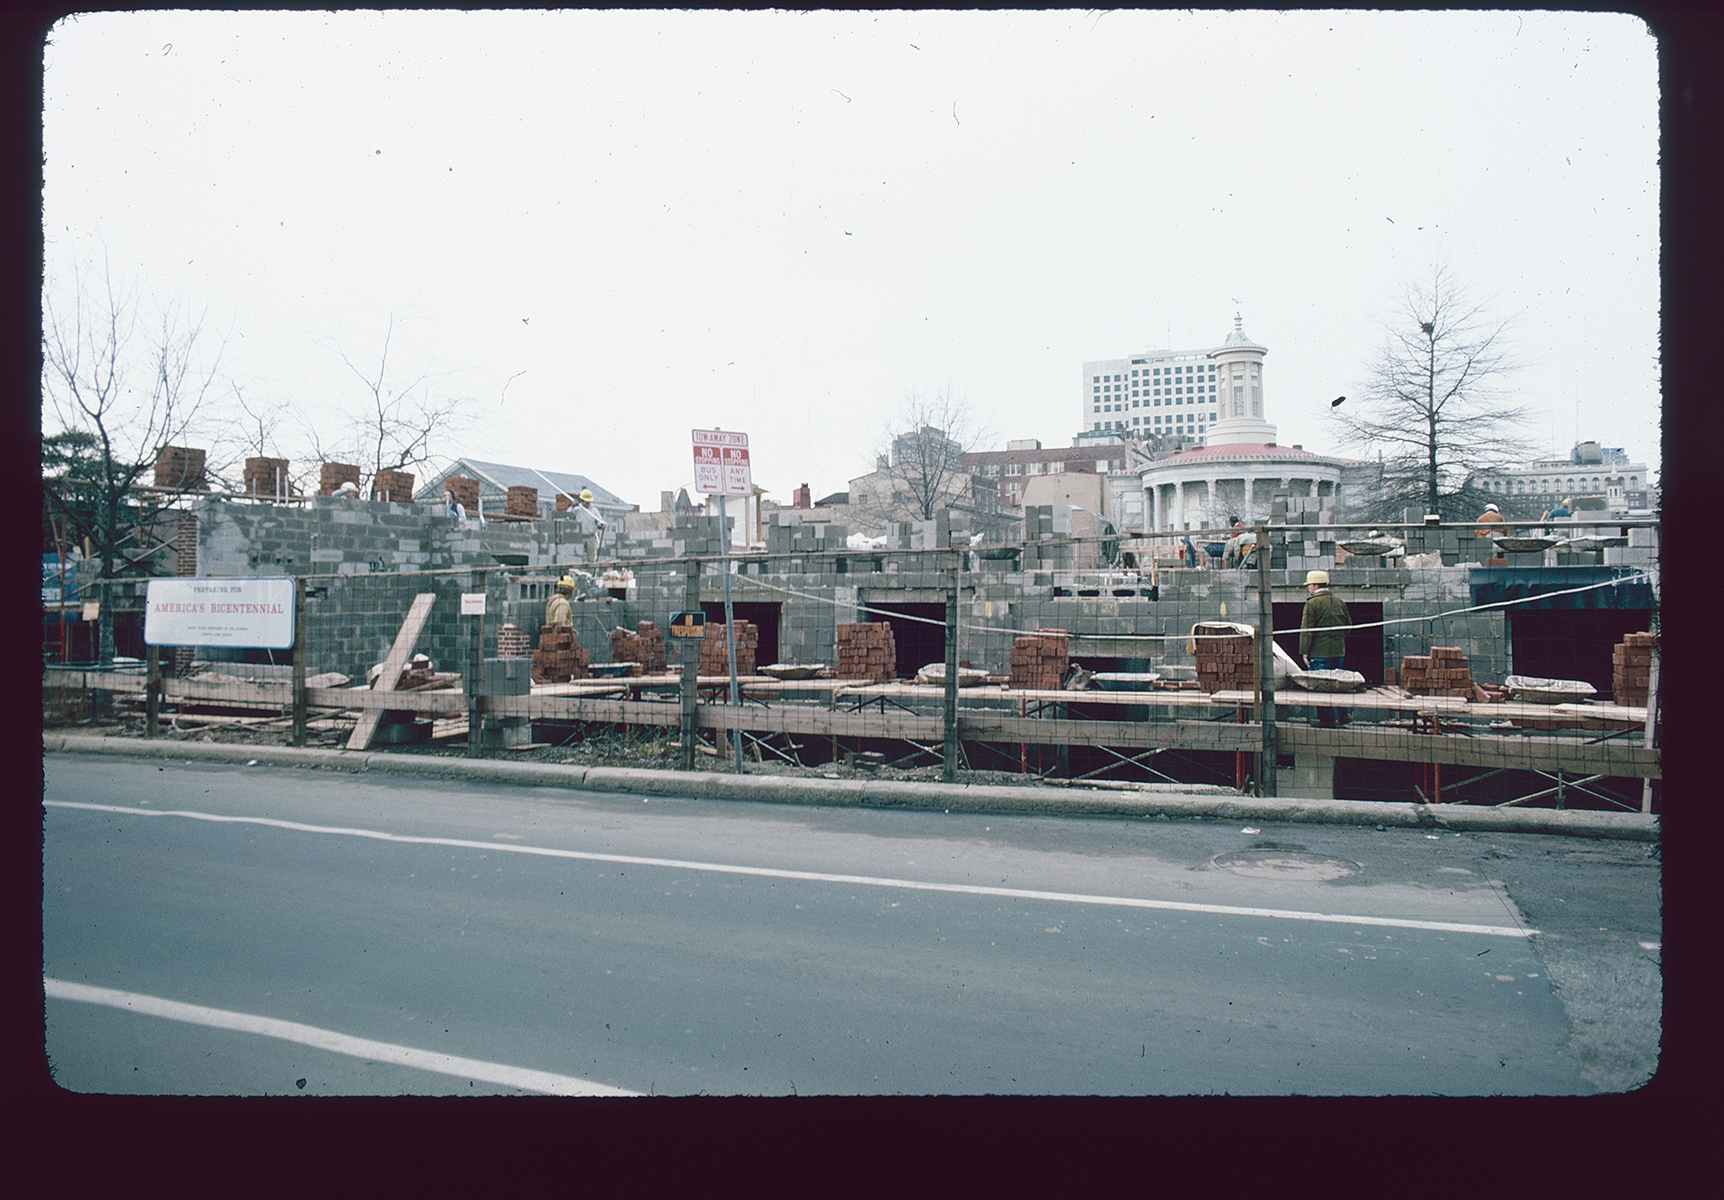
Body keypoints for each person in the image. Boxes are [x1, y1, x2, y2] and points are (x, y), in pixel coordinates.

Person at [1298, 569, 1351, 727]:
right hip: (1338, 651)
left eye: (1309, 585)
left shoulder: (1312, 603)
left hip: (1319, 653)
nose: (1308, 588)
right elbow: (1348, 625)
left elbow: (1306, 629)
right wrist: (1337, 640)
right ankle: (1344, 713)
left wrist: (1304, 651)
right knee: (1337, 684)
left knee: (1321, 687)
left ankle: (1327, 720)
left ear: (1315, 585)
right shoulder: (1338, 601)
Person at [570, 488, 606, 563]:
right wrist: (572, 506)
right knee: (578, 558)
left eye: (589, 502)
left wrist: (600, 525)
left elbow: (599, 520)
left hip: (591, 537)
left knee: (592, 559)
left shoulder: (594, 511)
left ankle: (591, 573)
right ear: (582, 501)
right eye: (586, 502)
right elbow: (567, 516)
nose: (588, 503)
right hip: (580, 537)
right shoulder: (577, 510)